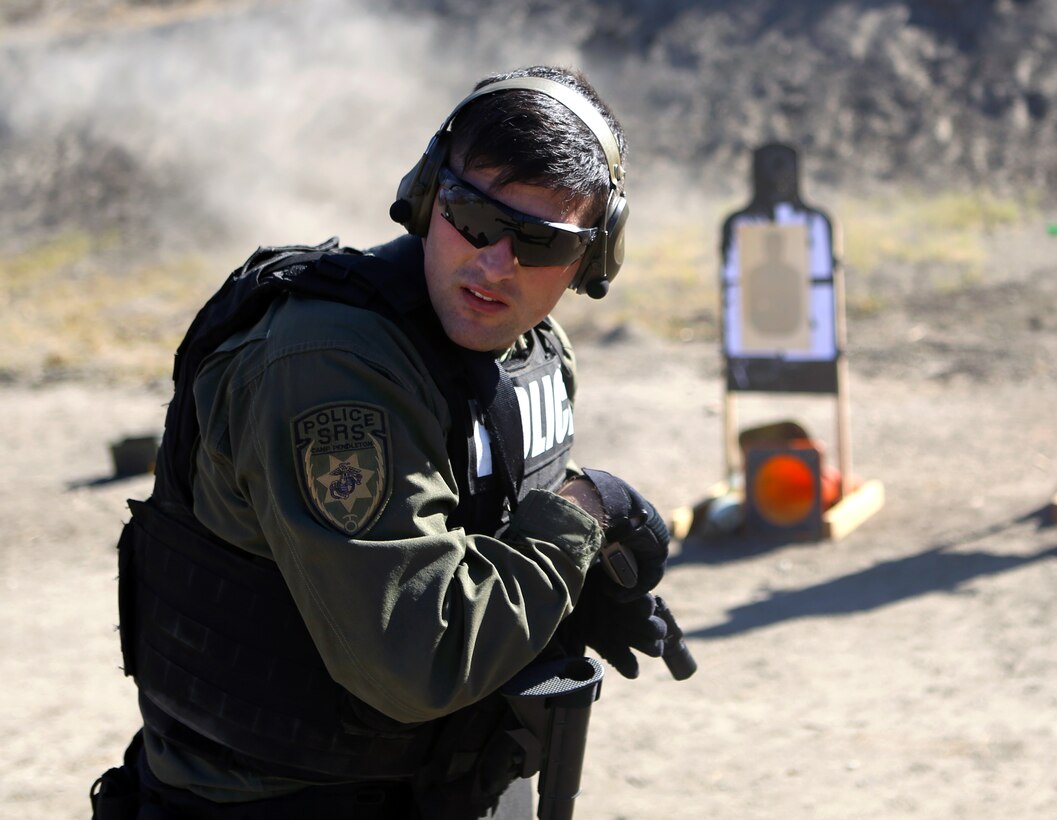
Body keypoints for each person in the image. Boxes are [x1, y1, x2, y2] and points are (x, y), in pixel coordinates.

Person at [91, 64, 680, 820]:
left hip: (442, 786)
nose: (496, 263)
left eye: (540, 241)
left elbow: (470, 545)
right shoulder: (330, 368)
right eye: (475, 218)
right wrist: (582, 511)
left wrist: (556, 599)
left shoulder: (532, 353)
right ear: (430, 194)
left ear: (593, 256)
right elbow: (417, 659)